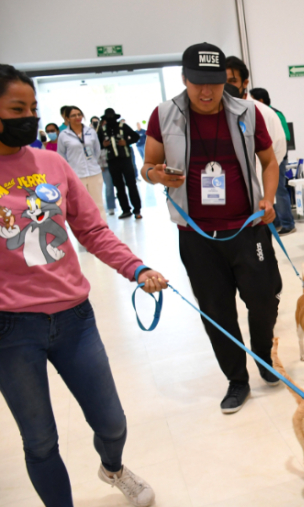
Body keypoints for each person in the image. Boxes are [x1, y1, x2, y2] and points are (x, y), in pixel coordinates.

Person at [0, 63, 164, 507]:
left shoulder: (51, 163)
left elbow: (91, 230)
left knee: (112, 423)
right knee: (39, 441)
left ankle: (112, 467)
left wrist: (136, 267)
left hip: (74, 319)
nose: (29, 117)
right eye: (18, 108)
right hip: (12, 330)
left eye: (32, 108)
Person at [140, 42, 283, 414]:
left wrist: (268, 200)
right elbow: (149, 166)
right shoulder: (163, 115)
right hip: (197, 234)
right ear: (184, 79)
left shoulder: (247, 112)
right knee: (217, 312)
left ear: (225, 80)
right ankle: (237, 380)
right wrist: (156, 175)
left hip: (248, 227)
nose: (206, 92)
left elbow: (269, 163)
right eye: (198, 83)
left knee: (264, 299)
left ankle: (264, 357)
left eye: (215, 83)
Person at [225, 58, 294, 235]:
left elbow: (277, 152)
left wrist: (265, 193)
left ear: (245, 82)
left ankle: (286, 222)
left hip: (257, 197)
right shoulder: (214, 113)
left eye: (232, 81)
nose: (227, 86)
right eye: (223, 81)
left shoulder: (263, 112)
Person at [250, 87, 297, 235]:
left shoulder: (274, 114)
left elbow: (286, 137)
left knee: (279, 190)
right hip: (263, 160)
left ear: (261, 100)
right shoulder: (252, 113)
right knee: (267, 191)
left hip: (277, 158)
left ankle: (287, 223)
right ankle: (275, 221)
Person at [56, 106, 105, 213]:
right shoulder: (63, 135)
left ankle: (102, 227)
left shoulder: (90, 131)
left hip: (94, 173)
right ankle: (87, 229)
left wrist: (93, 162)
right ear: (67, 118)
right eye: (73, 115)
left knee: (98, 204)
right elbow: (61, 155)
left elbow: (97, 150)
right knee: (82, 206)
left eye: (79, 114)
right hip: (76, 175)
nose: (77, 117)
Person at [97, 108, 141, 219]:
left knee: (131, 185)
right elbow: (97, 144)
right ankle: (126, 210)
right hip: (112, 161)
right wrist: (103, 145)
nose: (110, 120)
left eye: (112, 117)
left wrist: (127, 142)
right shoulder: (102, 130)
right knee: (119, 186)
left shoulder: (123, 126)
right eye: (108, 118)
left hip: (125, 159)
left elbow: (136, 136)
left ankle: (137, 210)